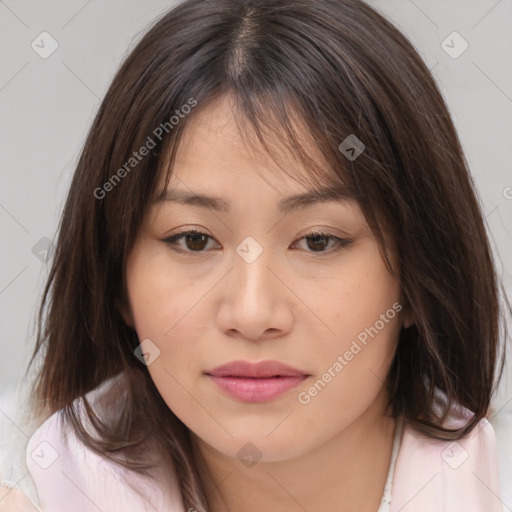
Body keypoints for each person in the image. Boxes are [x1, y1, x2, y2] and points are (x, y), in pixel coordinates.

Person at [1, 0, 510, 510]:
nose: (252, 313)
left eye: (318, 241)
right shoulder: (30, 483)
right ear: (116, 277)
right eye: (194, 239)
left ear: (418, 278)